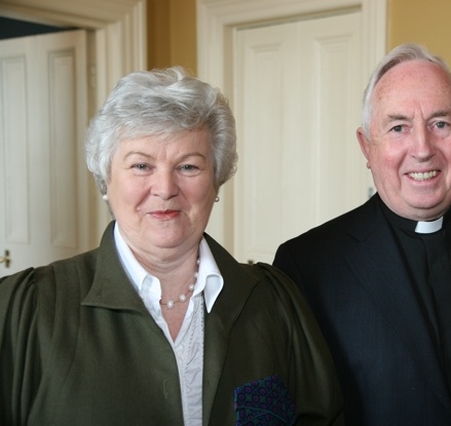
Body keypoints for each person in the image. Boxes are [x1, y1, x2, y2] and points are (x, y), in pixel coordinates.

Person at [0, 67, 344, 426]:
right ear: (105, 181)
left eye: (189, 166)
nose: (165, 188)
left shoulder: (276, 302)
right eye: (141, 165)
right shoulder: (26, 311)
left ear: (216, 181)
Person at [273, 43, 451, 425]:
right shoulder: (306, 266)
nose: (422, 149)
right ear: (366, 147)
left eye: (441, 123)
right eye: (398, 127)